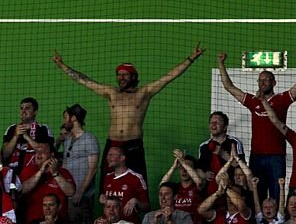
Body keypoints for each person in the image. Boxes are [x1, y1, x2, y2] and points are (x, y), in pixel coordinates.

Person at [53, 45, 205, 182]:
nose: (121, 78)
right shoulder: (111, 92)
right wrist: (62, 66)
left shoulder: (144, 93)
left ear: (133, 77)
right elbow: (85, 81)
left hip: (133, 145)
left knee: (137, 181)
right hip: (112, 143)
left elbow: (169, 77)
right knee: (108, 181)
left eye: (125, 75)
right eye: (119, 75)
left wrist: (191, 58)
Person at [217, 50, 296, 201]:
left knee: (277, 195)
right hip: (256, 156)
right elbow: (229, 86)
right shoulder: (253, 101)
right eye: (260, 80)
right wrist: (221, 64)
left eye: (266, 80)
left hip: (276, 157)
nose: (262, 83)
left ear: (274, 83)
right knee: (256, 195)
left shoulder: (282, 99)